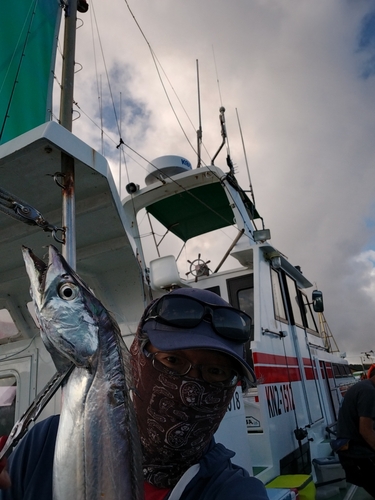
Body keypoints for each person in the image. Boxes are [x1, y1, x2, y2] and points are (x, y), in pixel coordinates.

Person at [0, 288, 268, 499]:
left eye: (215, 373)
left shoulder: (235, 492)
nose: (189, 392)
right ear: (136, 358)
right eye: (172, 362)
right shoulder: (45, 442)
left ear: (232, 387)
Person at [335, 363, 375, 498]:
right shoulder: (369, 392)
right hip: (357, 454)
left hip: (353, 451)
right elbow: (365, 430)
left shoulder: (363, 387)